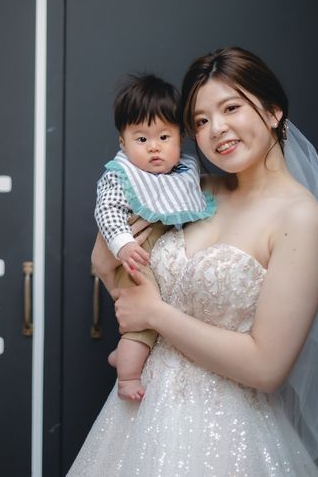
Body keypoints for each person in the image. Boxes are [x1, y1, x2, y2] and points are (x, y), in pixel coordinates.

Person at [68, 47, 318, 476]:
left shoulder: (301, 218)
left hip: (229, 431)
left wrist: (155, 314)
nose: (217, 129)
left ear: (272, 112)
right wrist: (113, 253)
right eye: (201, 120)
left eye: (231, 108)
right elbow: (107, 263)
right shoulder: (191, 191)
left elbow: (267, 367)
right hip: (141, 414)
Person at [95, 74, 216, 400]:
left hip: (167, 269)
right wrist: (123, 244)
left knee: (155, 319)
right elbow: (107, 211)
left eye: (164, 136)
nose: (154, 147)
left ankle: (124, 353)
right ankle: (128, 377)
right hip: (138, 258)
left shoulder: (186, 174)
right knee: (142, 328)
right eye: (141, 139)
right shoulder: (122, 176)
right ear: (123, 143)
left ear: (181, 138)